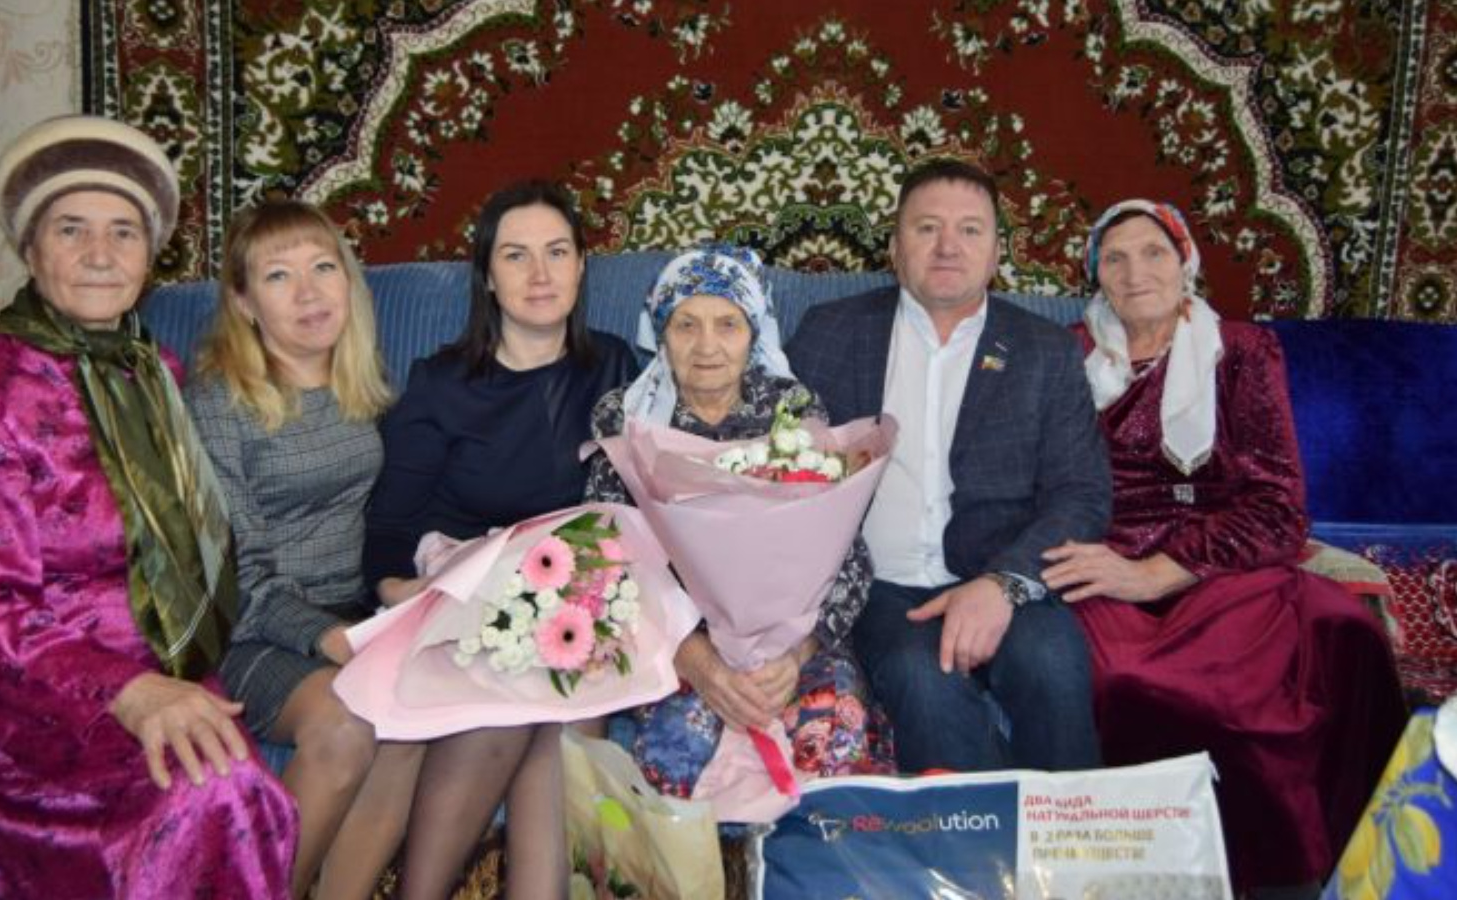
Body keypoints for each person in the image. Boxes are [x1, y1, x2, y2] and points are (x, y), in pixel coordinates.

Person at [0, 115, 296, 897]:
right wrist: (127, 689)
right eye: (71, 229)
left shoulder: (151, 370)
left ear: (150, 257)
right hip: (26, 703)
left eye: (123, 232)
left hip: (163, 668)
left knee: (240, 790)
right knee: (217, 798)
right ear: (31, 251)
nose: (99, 254)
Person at [1040, 199, 1408, 898]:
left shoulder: (1240, 351)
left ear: (1185, 262)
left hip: (1215, 559)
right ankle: (1178, 874)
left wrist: (1161, 572)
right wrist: (1111, 566)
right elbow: (1041, 483)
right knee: (1133, 681)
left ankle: (1352, 864)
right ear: (1095, 276)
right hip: (1104, 555)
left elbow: (1277, 504)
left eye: (1154, 252)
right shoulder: (1065, 354)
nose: (1135, 272)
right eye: (1115, 258)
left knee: (1345, 630)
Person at [786, 159, 1110, 773]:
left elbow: (1081, 492)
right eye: (927, 227)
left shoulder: (1045, 350)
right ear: (895, 247)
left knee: (1051, 662)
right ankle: (975, 837)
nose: (947, 246)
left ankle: (1071, 831)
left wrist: (1004, 583)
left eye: (970, 230)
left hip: (1004, 575)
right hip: (880, 586)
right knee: (920, 677)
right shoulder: (830, 332)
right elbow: (781, 466)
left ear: (996, 254)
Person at [362, 180, 637, 896]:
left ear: (582, 265)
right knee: (503, 717)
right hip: (463, 597)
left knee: (569, 718)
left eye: (557, 252)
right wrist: (406, 592)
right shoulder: (442, 383)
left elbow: (656, 492)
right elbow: (388, 529)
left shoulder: (618, 370)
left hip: (578, 609)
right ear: (487, 276)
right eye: (516, 256)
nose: (540, 274)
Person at [186, 199, 466, 899]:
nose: (308, 292)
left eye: (323, 268)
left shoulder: (361, 384)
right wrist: (331, 638)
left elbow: (395, 515)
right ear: (243, 302)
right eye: (278, 276)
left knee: (412, 720)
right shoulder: (218, 400)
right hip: (250, 629)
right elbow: (234, 573)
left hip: (351, 612)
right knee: (345, 727)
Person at [585, 246, 896, 797]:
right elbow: (610, 560)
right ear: (661, 334)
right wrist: (700, 663)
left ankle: (810, 854)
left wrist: (796, 654)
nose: (707, 345)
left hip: (795, 644)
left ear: (754, 331)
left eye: (727, 324)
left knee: (833, 728)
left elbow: (848, 556)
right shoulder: (627, 418)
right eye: (686, 325)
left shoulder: (795, 413)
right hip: (678, 647)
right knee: (677, 745)